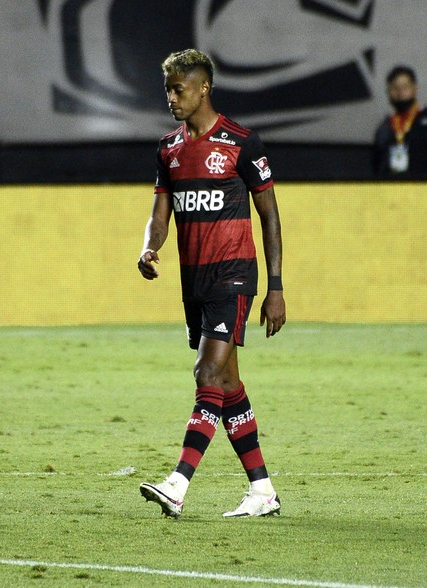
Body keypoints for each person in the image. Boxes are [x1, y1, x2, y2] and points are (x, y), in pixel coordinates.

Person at [137, 48, 287, 517]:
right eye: (167, 89)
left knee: (205, 374)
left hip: (234, 275)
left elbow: (270, 216)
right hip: (195, 282)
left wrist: (276, 286)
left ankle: (178, 484)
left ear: (203, 88)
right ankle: (262, 491)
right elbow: (160, 214)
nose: (171, 98)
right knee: (227, 382)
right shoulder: (169, 149)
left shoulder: (242, 142)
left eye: (178, 89)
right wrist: (149, 247)